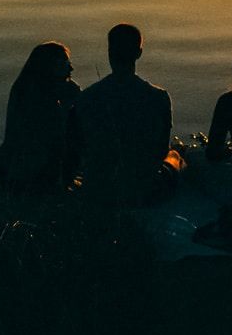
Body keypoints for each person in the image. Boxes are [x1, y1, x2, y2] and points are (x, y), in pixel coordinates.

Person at [71, 23, 182, 205]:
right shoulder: (158, 97)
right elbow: (160, 150)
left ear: (109, 52)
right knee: (175, 156)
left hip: (99, 189)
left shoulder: (87, 98)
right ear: (139, 53)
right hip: (143, 191)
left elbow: (79, 146)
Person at [0, 41, 80, 193]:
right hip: (29, 174)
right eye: (65, 63)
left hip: (14, 167)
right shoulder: (36, 97)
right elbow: (54, 136)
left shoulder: (28, 87)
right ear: (49, 67)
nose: (71, 68)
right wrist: (71, 105)